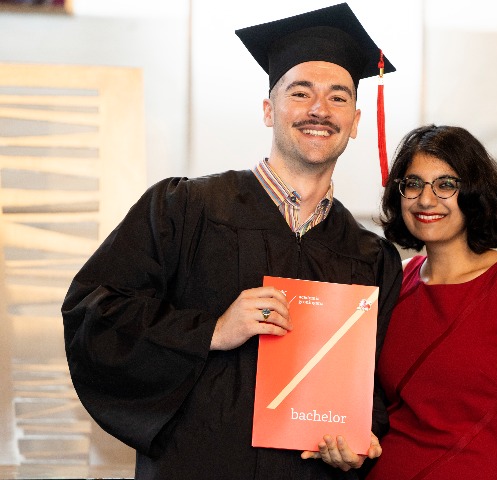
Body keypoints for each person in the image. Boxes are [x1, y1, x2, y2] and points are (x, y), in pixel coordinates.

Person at [61, 4, 402, 479]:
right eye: (300, 92)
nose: (319, 110)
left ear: (356, 120)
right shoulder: (184, 209)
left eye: (338, 97)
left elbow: (376, 391)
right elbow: (94, 314)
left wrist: (361, 440)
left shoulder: (370, 258)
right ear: (269, 110)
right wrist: (212, 331)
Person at [364, 125, 497, 480]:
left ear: (473, 193)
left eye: (445, 185)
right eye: (413, 184)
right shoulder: (397, 279)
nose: (426, 200)